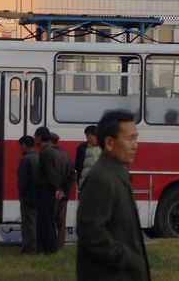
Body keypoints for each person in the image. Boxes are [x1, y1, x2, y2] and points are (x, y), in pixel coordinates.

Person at [76, 110, 150, 281]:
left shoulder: (115, 173)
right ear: (109, 142)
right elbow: (91, 232)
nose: (135, 145)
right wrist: (125, 258)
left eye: (136, 138)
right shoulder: (102, 178)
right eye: (130, 138)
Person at [34, 127, 60, 254]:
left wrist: (55, 188)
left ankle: (49, 248)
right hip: (48, 189)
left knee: (46, 219)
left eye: (35, 137)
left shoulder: (44, 152)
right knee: (48, 219)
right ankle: (50, 247)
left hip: (45, 189)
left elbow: (49, 172)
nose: (35, 139)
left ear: (39, 137)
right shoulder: (50, 151)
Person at [50, 133, 74, 250]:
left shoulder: (47, 155)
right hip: (64, 195)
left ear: (49, 141)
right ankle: (60, 247)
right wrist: (63, 190)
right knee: (61, 223)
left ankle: (50, 246)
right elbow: (71, 176)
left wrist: (56, 190)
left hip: (51, 194)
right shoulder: (66, 156)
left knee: (49, 221)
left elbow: (49, 176)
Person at [17, 135, 39, 255]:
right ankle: (37, 246)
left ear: (25, 145)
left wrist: (22, 194)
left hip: (28, 197)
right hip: (39, 196)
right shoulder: (39, 157)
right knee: (36, 223)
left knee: (28, 225)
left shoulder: (26, 160)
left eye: (21, 145)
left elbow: (23, 181)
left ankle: (29, 249)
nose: (20, 148)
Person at [74, 125, 101, 191]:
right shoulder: (82, 148)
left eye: (90, 137)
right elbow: (77, 166)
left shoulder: (105, 148)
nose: (88, 139)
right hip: (84, 185)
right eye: (87, 137)